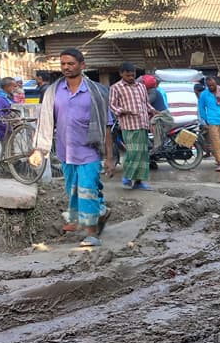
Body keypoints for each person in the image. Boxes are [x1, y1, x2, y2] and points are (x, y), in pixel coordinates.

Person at [28, 48, 112, 247]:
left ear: (82, 66)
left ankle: (91, 233)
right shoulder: (53, 92)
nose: (66, 67)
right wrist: (39, 149)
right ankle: (100, 211)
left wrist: (110, 157)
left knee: (87, 189)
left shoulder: (97, 92)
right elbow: (46, 121)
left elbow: (107, 125)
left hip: (90, 151)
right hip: (66, 152)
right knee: (73, 190)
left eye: (71, 63)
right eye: (63, 64)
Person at [109, 61, 157, 190]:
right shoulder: (116, 87)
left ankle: (138, 182)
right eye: (128, 75)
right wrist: (122, 111)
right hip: (129, 125)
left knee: (143, 154)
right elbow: (112, 105)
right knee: (134, 152)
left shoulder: (141, 87)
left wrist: (153, 110)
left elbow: (146, 103)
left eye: (133, 75)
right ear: (121, 74)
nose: (131, 77)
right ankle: (128, 176)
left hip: (143, 123)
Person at [197, 76, 220, 174]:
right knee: (216, 141)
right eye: (209, 85)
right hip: (212, 120)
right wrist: (205, 120)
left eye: (213, 85)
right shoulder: (204, 95)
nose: (211, 87)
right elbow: (201, 108)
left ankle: (219, 159)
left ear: (216, 84)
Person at [142, 74, 173, 152]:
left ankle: (157, 145)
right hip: (158, 113)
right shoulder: (151, 91)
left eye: (142, 82)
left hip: (160, 115)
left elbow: (146, 102)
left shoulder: (153, 92)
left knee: (151, 125)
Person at [0, 77, 16, 142]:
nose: (15, 88)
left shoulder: (8, 97)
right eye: (14, 86)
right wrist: (10, 128)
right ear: (7, 87)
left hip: (11, 128)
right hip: (5, 132)